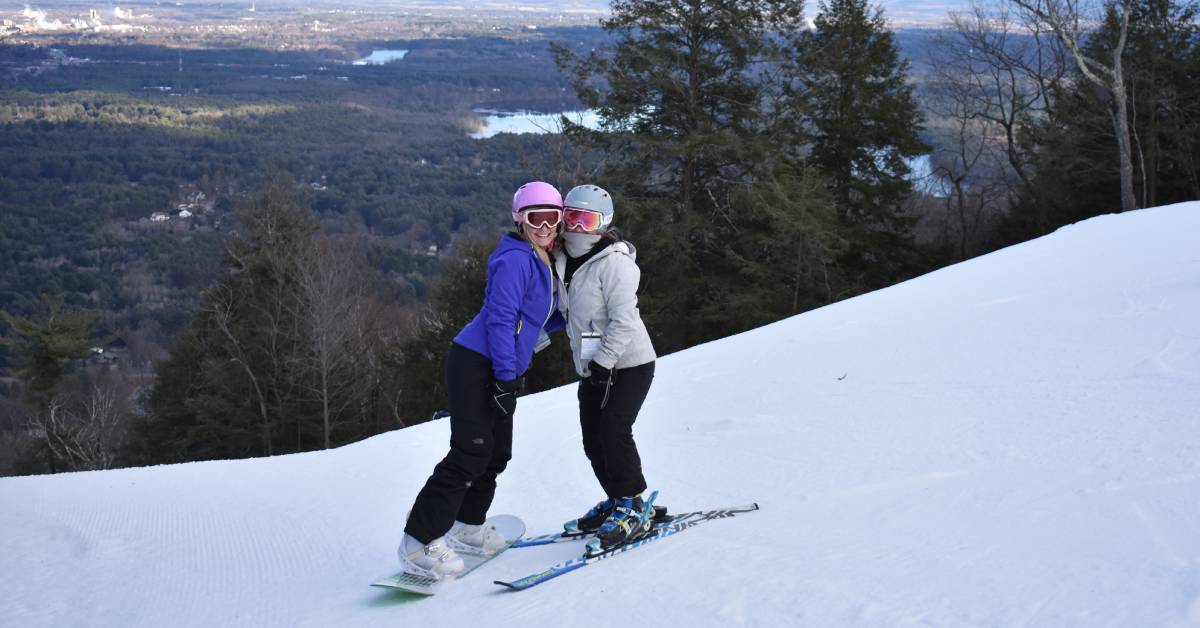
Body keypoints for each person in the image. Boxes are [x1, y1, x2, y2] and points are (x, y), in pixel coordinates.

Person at [398, 181, 565, 579]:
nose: (544, 225)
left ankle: (468, 527)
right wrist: (505, 376)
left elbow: (537, 317)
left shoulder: (543, 258)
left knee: (496, 453)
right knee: (470, 452)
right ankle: (417, 543)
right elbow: (502, 319)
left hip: (502, 365)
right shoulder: (515, 259)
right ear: (519, 220)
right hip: (476, 362)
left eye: (552, 217)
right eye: (534, 218)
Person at [553, 184, 658, 551]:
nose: (577, 228)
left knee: (614, 430)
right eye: (571, 218)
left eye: (586, 221)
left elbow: (624, 320)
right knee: (592, 439)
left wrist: (604, 362)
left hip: (630, 364)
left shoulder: (615, 263)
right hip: (594, 366)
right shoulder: (563, 258)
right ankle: (617, 499)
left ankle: (633, 505)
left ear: (603, 224)